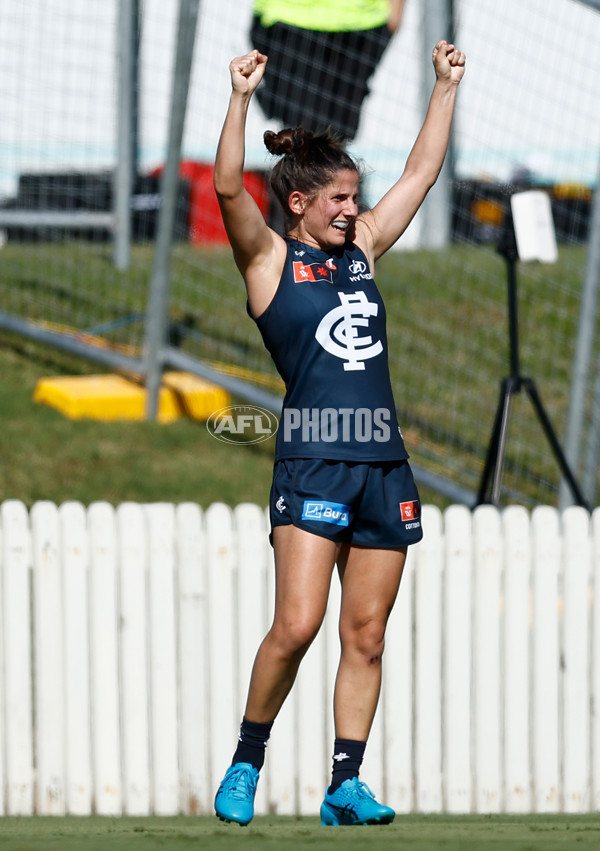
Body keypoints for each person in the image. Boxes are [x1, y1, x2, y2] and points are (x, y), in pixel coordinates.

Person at [213, 40, 465, 827]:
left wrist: (445, 87)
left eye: (356, 197)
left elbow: (421, 174)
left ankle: (344, 785)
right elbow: (226, 185)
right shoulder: (268, 262)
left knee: (366, 633)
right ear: (299, 203)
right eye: (340, 199)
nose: (354, 209)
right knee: (297, 623)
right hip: (315, 462)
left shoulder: (363, 251)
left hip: (383, 466)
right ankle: (248, 758)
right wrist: (239, 100)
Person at [250, 0, 406, 140]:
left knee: (338, 136)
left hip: (360, 23)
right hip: (288, 17)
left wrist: (394, 13)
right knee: (299, 132)